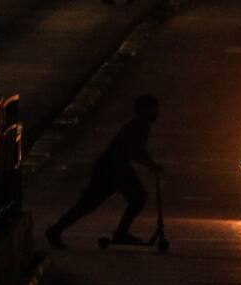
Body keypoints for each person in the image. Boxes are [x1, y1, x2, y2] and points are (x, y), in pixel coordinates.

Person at [45, 95, 163, 248]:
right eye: (152, 109)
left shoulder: (141, 126)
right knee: (90, 204)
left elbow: (138, 151)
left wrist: (150, 165)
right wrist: (151, 165)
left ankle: (120, 232)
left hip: (118, 168)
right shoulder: (137, 127)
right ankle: (56, 230)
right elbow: (137, 151)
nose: (155, 113)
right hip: (111, 169)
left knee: (135, 198)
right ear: (143, 111)